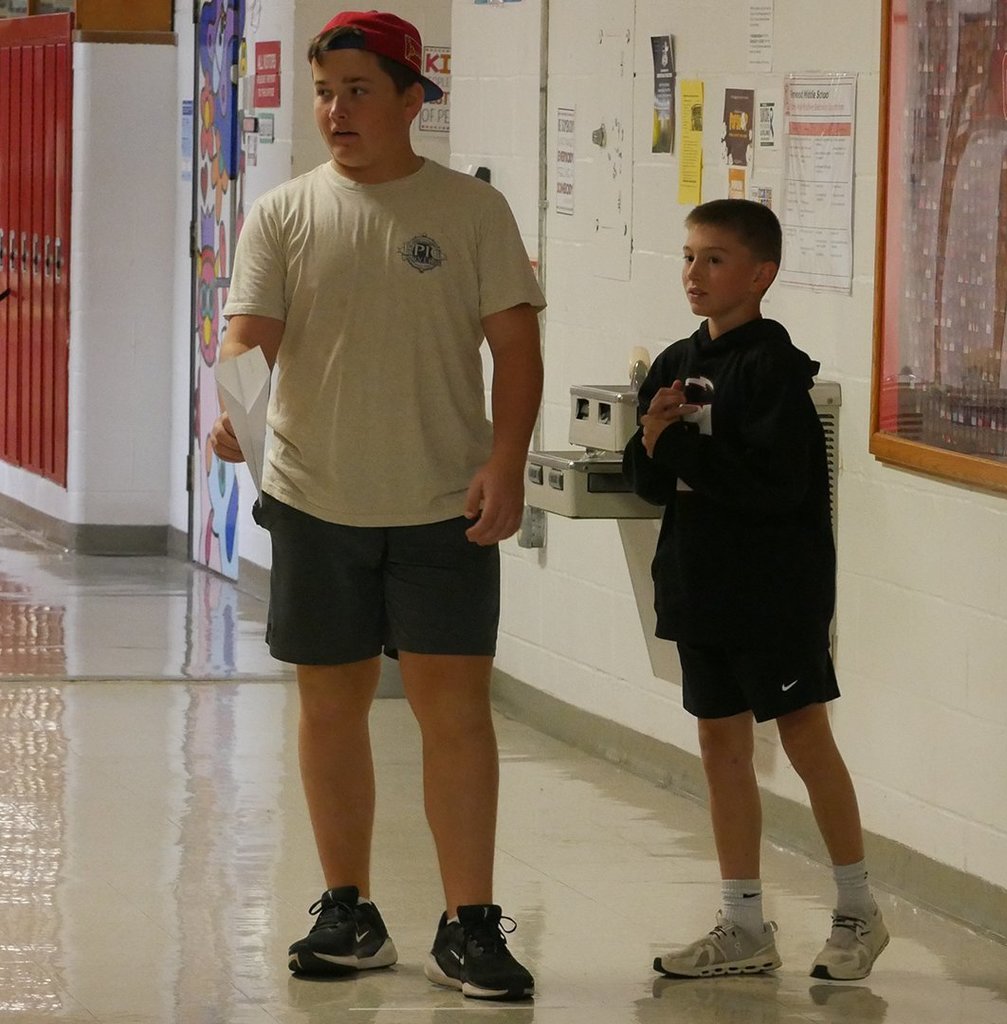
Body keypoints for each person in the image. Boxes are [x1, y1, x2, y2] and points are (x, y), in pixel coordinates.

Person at [211, 9, 544, 1002]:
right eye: (324, 93)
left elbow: (516, 350)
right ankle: (347, 909)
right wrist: (234, 413)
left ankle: (469, 923)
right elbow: (247, 338)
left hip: (444, 503)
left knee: (456, 714)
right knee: (330, 708)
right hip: (316, 499)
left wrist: (507, 462)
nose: (336, 111)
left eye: (358, 91)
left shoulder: (471, 211)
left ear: (411, 99)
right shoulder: (283, 213)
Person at [622, 198, 888, 982]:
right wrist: (652, 434)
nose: (694, 273)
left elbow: (771, 487)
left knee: (805, 738)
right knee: (720, 745)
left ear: (760, 274)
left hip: (772, 593)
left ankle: (858, 910)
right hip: (699, 586)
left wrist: (675, 447)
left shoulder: (774, 370)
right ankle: (743, 924)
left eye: (714, 259)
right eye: (688, 256)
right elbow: (649, 481)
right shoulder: (676, 362)